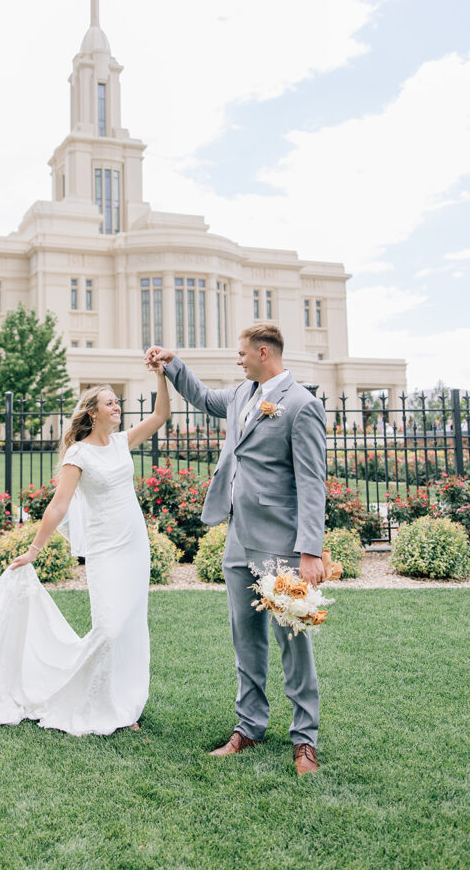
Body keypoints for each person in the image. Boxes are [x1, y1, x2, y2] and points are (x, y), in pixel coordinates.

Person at [146, 324, 326, 774]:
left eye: (243, 353)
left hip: (282, 547)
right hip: (238, 542)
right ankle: (249, 726)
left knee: (293, 644)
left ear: (264, 352)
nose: (239, 359)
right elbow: (205, 398)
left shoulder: (302, 405)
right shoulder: (244, 394)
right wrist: (172, 364)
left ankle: (305, 740)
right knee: (245, 641)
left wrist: (309, 551)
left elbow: (311, 483)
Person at [0, 364, 170, 736]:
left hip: (135, 544)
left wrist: (161, 376)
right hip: (105, 549)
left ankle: (125, 704)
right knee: (109, 627)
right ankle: (83, 698)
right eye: (110, 403)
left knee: (132, 627)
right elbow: (58, 506)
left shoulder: (121, 443)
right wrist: (34, 550)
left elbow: (161, 414)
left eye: (118, 402)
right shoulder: (78, 455)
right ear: (92, 412)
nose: (117, 407)